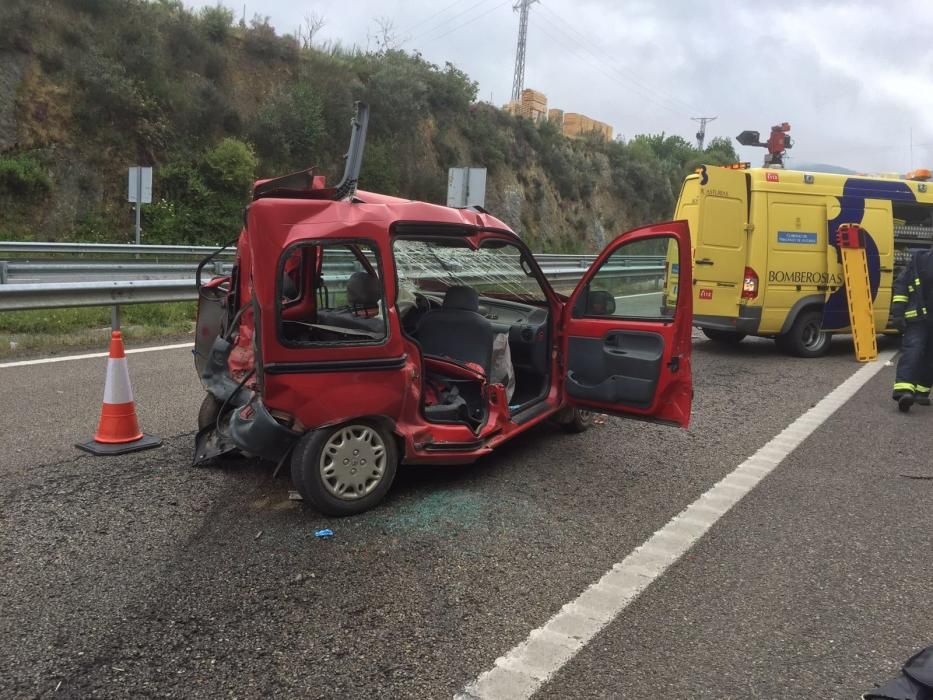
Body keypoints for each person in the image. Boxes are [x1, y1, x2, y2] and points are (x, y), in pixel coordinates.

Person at [891, 247, 933, 412]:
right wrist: (898, 313)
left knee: (930, 357)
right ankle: (903, 391)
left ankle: (921, 392)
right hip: (918, 318)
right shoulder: (919, 260)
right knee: (913, 350)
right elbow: (901, 286)